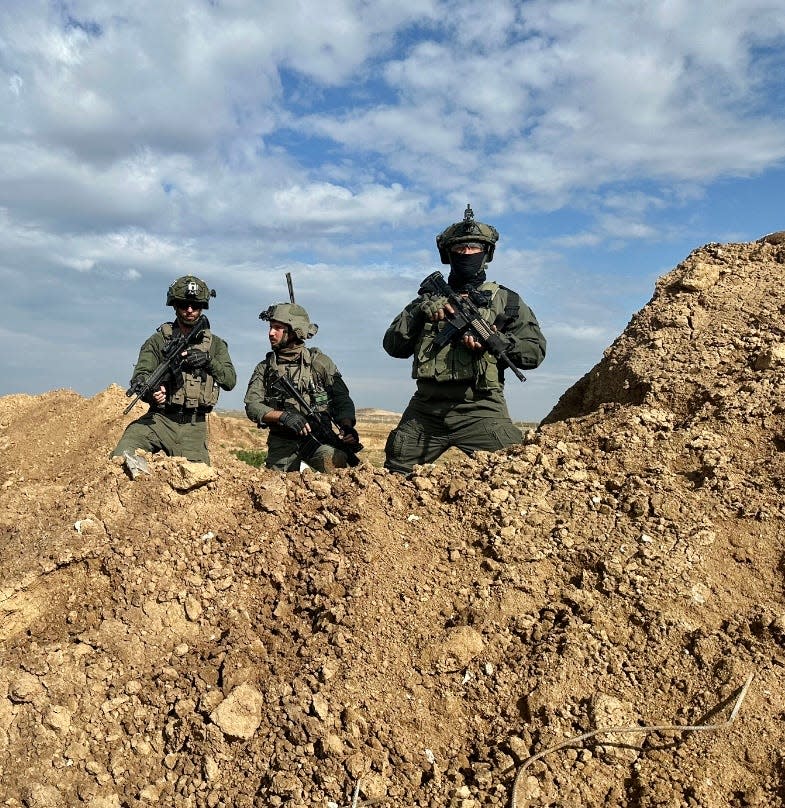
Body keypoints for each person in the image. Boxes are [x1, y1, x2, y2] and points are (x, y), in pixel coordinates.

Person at [383, 204, 546, 475]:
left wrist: (498, 342)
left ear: (486, 254)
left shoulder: (508, 301)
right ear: (448, 254)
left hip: (481, 407)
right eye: (459, 249)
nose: (467, 254)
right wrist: (419, 314)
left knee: (517, 473)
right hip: (426, 409)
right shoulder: (425, 301)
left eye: (474, 248)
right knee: (394, 475)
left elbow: (535, 352)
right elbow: (393, 346)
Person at [113, 275, 237, 466]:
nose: (189, 310)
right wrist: (152, 393)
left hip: (194, 427)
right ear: (174, 306)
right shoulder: (158, 341)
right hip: (159, 420)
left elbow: (230, 381)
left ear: (202, 308)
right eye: (183, 305)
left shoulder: (216, 345)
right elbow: (142, 372)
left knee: (197, 481)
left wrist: (208, 361)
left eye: (195, 306)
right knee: (123, 454)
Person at [244, 302, 360, 472]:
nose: (271, 333)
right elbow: (252, 406)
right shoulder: (266, 368)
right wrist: (283, 417)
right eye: (270, 327)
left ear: (294, 331)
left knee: (335, 461)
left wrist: (347, 426)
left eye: (277, 328)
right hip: (282, 444)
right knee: (275, 488)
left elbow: (341, 398)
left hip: (319, 439)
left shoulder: (319, 363)